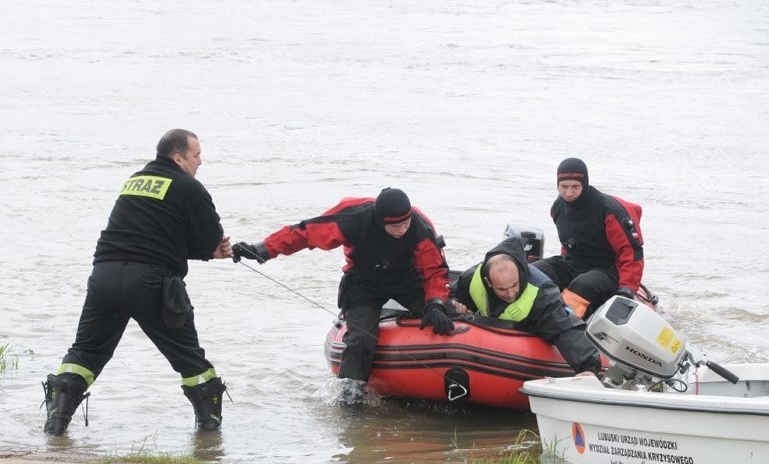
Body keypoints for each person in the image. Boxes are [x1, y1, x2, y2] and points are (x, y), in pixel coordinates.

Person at [41, 129, 233, 435]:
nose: (201, 161)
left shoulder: (136, 179)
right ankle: (210, 434)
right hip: (152, 281)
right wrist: (213, 251)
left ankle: (55, 426)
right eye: (197, 155)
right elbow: (209, 238)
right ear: (178, 157)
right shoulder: (189, 186)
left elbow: (151, 234)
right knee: (189, 358)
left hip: (104, 275)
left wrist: (201, 250)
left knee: (85, 354)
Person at [232, 188, 454, 395]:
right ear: (380, 221)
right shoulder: (353, 218)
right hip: (364, 281)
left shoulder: (419, 227)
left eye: (405, 223)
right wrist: (262, 249)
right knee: (360, 339)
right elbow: (305, 233)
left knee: (447, 315)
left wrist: (435, 304)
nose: (402, 229)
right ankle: (350, 395)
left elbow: (434, 270)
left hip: (407, 278)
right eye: (395, 226)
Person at [450, 236, 602, 375]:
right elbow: (454, 294)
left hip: (531, 335)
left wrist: (588, 367)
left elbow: (564, 328)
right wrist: (458, 304)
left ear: (520, 273)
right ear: (489, 282)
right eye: (502, 289)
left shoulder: (542, 294)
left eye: (514, 285)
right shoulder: (472, 277)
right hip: (491, 337)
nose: (510, 293)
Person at [533, 157, 644, 319]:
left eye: (575, 187)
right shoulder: (558, 208)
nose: (568, 193)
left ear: (584, 185)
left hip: (608, 271)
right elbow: (568, 243)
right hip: (572, 263)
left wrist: (627, 289)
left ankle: (561, 323)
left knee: (583, 284)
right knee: (532, 272)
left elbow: (631, 252)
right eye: (563, 187)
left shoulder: (609, 210)